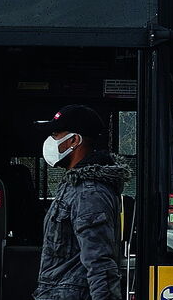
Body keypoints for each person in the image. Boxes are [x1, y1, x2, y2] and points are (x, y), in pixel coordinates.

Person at [33, 104, 131, 300]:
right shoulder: (73, 186)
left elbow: (100, 265)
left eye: (56, 134)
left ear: (74, 141)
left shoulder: (89, 193)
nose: (50, 140)